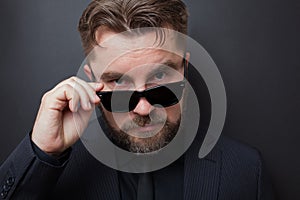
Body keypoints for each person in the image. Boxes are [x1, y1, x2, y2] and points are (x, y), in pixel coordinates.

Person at [0, 0, 274, 199]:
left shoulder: (246, 171)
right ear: (92, 78)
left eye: (159, 77)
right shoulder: (52, 172)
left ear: (184, 69)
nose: (143, 108)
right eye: (119, 82)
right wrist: (41, 153)